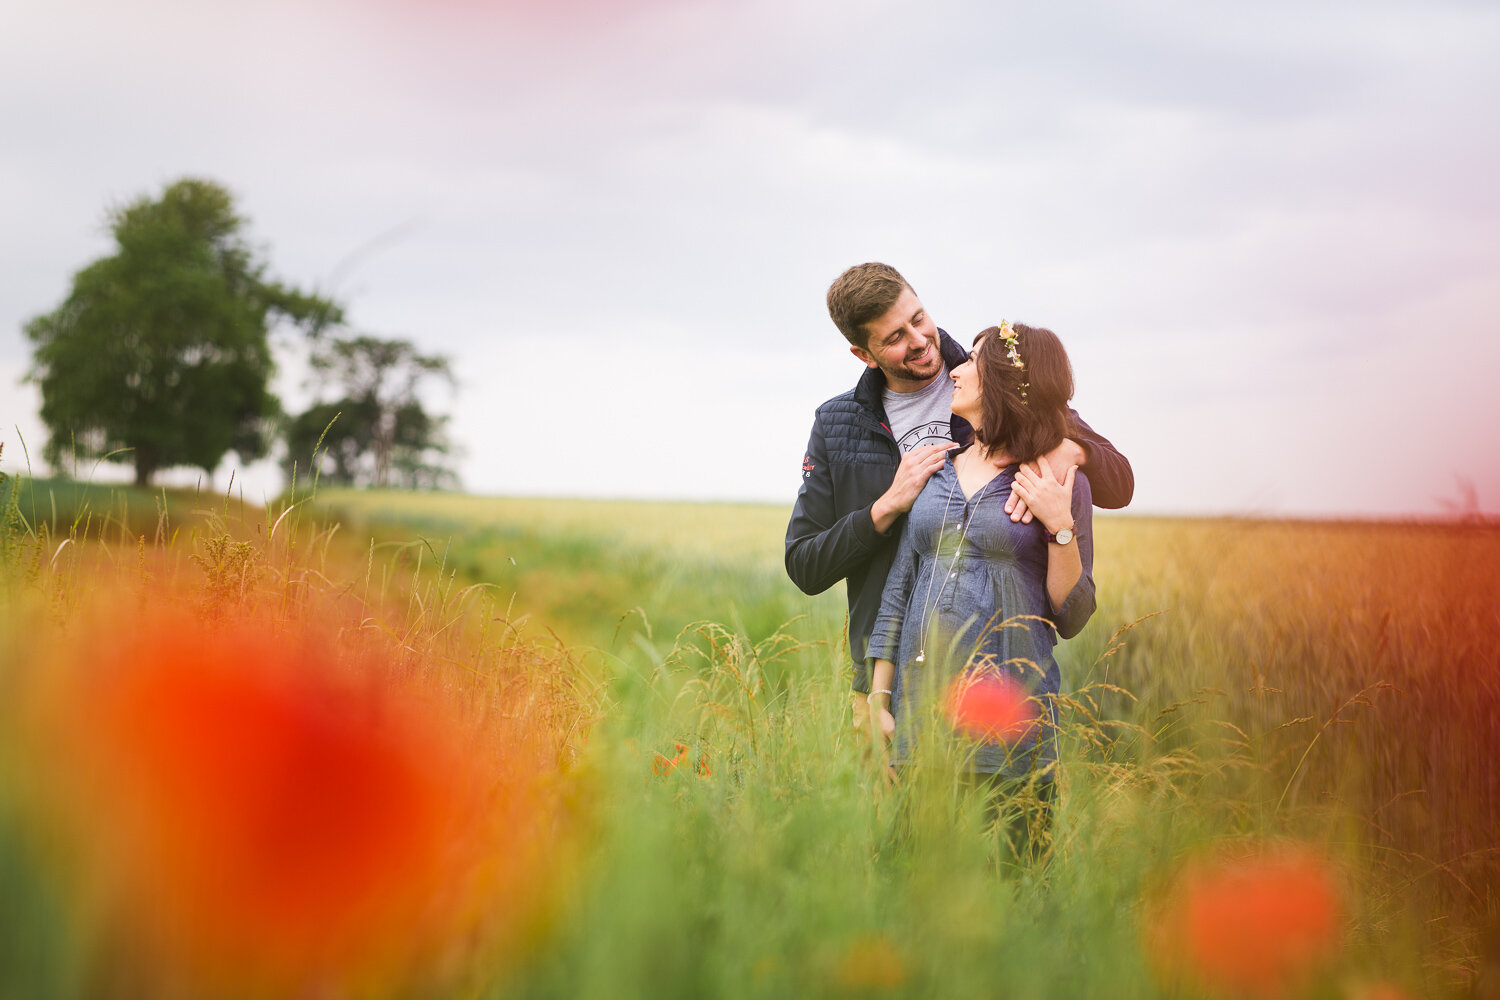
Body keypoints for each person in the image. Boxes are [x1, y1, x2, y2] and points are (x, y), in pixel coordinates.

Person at [784, 263, 1131, 728]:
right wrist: (886, 506)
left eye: (919, 318)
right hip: (885, 670)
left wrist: (1076, 449)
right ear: (863, 354)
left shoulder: (997, 379)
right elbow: (805, 564)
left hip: (998, 668)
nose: (920, 340)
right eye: (894, 338)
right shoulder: (836, 424)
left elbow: (1120, 484)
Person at [864, 322, 1093, 854]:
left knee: (1011, 903)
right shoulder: (936, 467)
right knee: (911, 897)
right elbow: (900, 587)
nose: (957, 368)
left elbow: (1075, 616)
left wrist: (1061, 528)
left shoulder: (1056, 478)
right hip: (920, 729)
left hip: (1013, 736)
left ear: (1009, 382)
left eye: (973, 362)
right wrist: (880, 699)